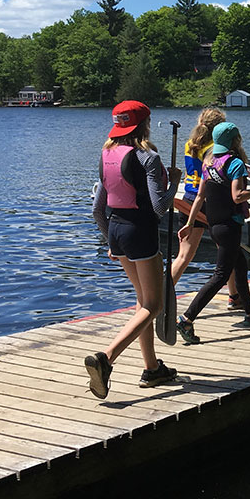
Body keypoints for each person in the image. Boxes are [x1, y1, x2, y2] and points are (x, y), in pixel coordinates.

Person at [86, 100, 181, 398]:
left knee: (143, 303)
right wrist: (174, 183)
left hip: (116, 230)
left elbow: (96, 210)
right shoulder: (147, 157)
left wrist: (110, 242)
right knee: (154, 306)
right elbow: (160, 207)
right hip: (140, 232)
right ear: (144, 125)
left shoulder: (106, 154)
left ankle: (152, 369)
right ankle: (106, 358)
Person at [175, 122, 250, 344]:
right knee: (220, 275)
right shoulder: (235, 164)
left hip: (214, 224)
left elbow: (200, 196)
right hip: (230, 225)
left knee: (240, 264)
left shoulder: (208, 163)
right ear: (235, 141)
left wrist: (190, 223)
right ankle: (187, 318)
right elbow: (237, 196)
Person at [172, 107, 240, 308]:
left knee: (183, 256)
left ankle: (163, 293)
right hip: (210, 203)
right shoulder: (213, 148)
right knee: (227, 253)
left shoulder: (190, 144)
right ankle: (234, 296)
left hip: (188, 199)